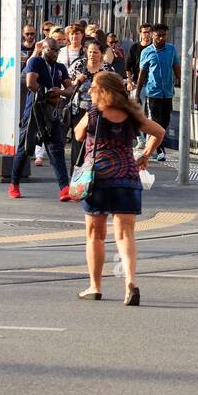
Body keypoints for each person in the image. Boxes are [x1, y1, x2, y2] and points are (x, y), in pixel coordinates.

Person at [74, 72, 164, 306]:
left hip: (99, 180)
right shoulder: (132, 116)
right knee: (125, 234)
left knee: (95, 234)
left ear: (104, 91)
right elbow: (159, 132)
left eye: (94, 87)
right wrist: (145, 155)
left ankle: (95, 286)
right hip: (127, 178)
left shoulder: (93, 114)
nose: (90, 91)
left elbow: (77, 134)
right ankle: (130, 283)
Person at [9, 36, 72, 199]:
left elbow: (70, 88)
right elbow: (30, 83)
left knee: (57, 150)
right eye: (52, 50)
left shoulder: (60, 67)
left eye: (58, 50)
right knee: (25, 149)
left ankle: (64, 188)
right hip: (34, 112)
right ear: (44, 49)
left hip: (51, 113)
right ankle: (14, 183)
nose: (56, 53)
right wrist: (47, 93)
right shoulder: (36, 62)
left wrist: (60, 92)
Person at [68, 41, 116, 170]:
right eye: (90, 52)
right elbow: (67, 85)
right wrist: (76, 81)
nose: (92, 55)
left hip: (100, 111)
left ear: (101, 54)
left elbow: (114, 89)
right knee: (78, 141)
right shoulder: (78, 65)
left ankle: (95, 172)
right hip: (79, 110)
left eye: (95, 52)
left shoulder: (107, 69)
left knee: (97, 142)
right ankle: (76, 173)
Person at [136, 24, 180, 163]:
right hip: (153, 93)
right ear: (152, 36)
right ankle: (161, 151)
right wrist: (137, 93)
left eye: (163, 35)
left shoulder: (171, 49)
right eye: (158, 35)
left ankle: (152, 148)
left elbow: (176, 67)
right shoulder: (147, 52)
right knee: (156, 122)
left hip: (167, 93)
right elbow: (142, 74)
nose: (161, 38)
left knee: (165, 121)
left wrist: (183, 83)